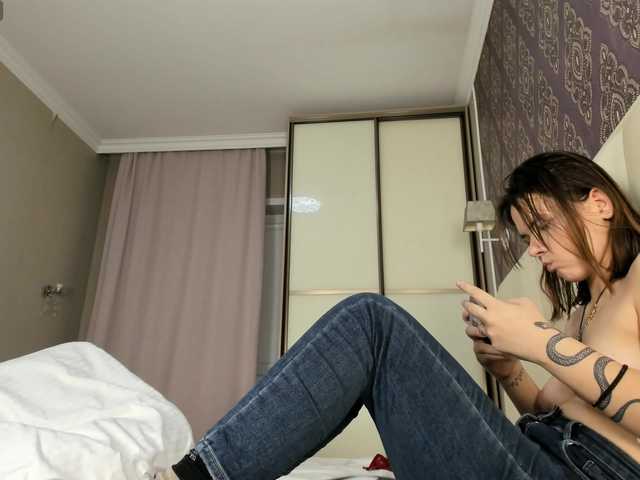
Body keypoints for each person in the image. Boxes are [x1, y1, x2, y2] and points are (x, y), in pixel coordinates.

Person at [172, 151, 640, 479]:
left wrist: (539, 341)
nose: (534, 249)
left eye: (541, 227)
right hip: (541, 454)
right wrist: (510, 370)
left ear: (599, 204)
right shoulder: (581, 312)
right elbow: (552, 414)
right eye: (526, 238)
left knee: (371, 323)